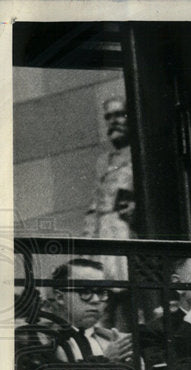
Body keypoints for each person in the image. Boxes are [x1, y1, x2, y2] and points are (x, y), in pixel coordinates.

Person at [84, 98, 136, 330]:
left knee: (131, 301)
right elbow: (94, 204)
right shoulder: (104, 161)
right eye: (108, 117)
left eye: (120, 115)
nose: (113, 121)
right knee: (102, 302)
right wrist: (87, 242)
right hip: (103, 236)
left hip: (127, 233)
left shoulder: (139, 153)